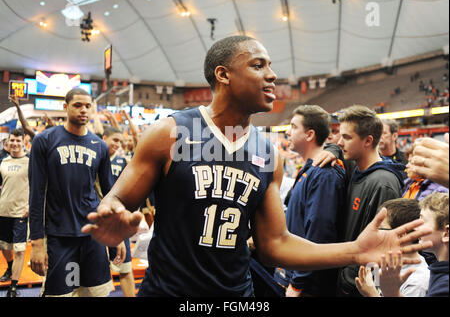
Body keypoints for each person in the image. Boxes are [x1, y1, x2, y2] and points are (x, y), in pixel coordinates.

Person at [82, 35, 433, 297]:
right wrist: (111, 219)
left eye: (270, 66)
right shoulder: (170, 133)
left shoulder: (268, 153)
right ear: (223, 74)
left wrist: (355, 250)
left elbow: (275, 244)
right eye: (258, 65)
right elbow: (114, 201)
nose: (272, 75)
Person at [28, 88, 125, 297]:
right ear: (66, 107)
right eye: (77, 105)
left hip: (93, 234)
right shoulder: (44, 141)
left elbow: (109, 194)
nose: (83, 110)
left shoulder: (99, 146)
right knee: (59, 294)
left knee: (96, 293)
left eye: (88, 106)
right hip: (59, 235)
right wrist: (36, 242)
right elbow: (36, 194)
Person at [335, 105, 406, 297]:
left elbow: (382, 248)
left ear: (368, 141)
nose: (340, 142)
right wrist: (331, 150)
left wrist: (358, 285)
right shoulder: (355, 168)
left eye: (347, 137)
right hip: (347, 281)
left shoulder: (383, 183)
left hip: (358, 288)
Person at [282, 105, 346, 297]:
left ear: (309, 135)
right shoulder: (310, 169)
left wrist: (298, 282)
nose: (287, 131)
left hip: (311, 286)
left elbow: (319, 233)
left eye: (293, 126)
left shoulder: (324, 174)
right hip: (299, 273)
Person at [372, 192, 448, 297]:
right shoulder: (439, 273)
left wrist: (376, 293)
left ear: (447, 233)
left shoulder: (440, 285)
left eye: (423, 222)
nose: (415, 228)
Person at [355, 198, 430, 297]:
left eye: (380, 228)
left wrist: (371, 294)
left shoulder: (417, 282)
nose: (375, 233)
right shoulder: (388, 263)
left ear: (401, 235)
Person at [101, 126, 136, 297]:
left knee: (125, 267)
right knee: (97, 272)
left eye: (120, 142)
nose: (118, 144)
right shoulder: (95, 157)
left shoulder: (123, 162)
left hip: (118, 220)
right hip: (97, 219)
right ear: (104, 137)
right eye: (114, 140)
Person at [0, 129, 29, 297]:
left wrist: (30, 206)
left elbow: (39, 187)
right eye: (12, 141)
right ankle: (9, 266)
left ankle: (13, 286)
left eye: (18, 141)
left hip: (21, 213)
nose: (15, 144)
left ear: (23, 142)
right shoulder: (3, 162)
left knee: (19, 250)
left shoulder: (30, 162)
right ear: (8, 142)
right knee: (4, 246)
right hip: (3, 211)